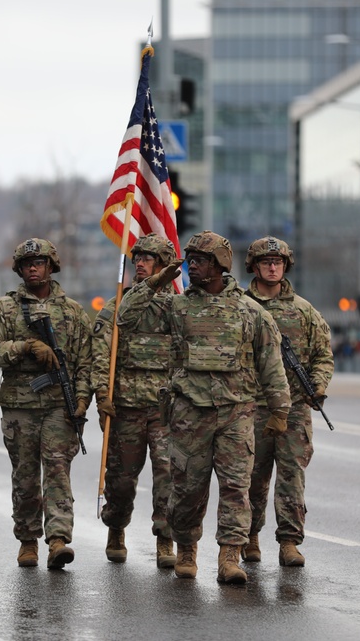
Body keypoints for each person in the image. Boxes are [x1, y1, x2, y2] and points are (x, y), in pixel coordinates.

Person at [117, 231, 291, 584]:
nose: (191, 265)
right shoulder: (176, 306)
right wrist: (153, 283)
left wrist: (279, 409)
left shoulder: (249, 311)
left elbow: (270, 363)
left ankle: (229, 556)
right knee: (187, 488)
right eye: (190, 259)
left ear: (220, 265)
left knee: (235, 488)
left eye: (200, 260)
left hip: (237, 412)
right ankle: (186, 550)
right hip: (189, 413)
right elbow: (125, 318)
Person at [0, 238, 93, 570]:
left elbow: (86, 360)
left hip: (59, 404)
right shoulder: (4, 308)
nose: (33, 268)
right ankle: (28, 540)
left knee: (57, 471)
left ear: (51, 266)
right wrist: (25, 347)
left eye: (39, 263)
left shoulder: (71, 311)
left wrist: (82, 399)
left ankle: (58, 540)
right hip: (19, 405)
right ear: (19, 269)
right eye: (27, 264)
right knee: (25, 475)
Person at [243, 237, 333, 567]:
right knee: (252, 476)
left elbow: (323, 354)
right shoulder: (241, 306)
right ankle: (249, 536)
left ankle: (289, 541)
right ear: (253, 266)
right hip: (254, 405)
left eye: (278, 262)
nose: (272, 266)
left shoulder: (304, 311)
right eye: (266, 262)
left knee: (292, 476)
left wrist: (317, 387)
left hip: (294, 406)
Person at [91, 234, 177, 568]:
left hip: (163, 410)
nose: (140, 263)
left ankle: (165, 538)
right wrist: (102, 394)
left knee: (168, 476)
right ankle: (116, 527)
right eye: (136, 258)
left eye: (148, 258)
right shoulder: (117, 305)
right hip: (126, 407)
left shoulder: (176, 306)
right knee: (122, 480)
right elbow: (101, 355)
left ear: (164, 263)